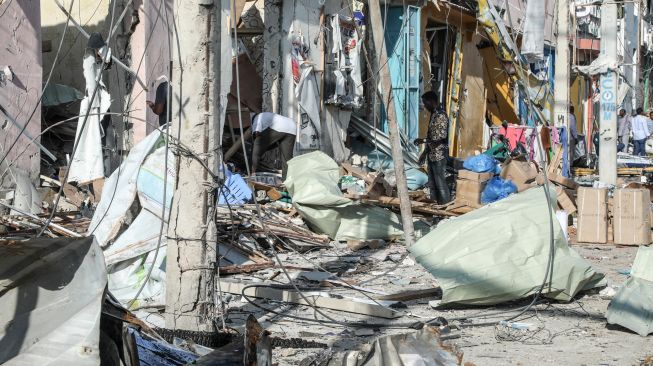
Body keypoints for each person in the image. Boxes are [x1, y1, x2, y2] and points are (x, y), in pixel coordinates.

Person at [414, 91, 451, 204]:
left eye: (425, 103)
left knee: (441, 185)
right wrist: (424, 153)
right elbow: (431, 136)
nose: (424, 106)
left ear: (432, 101)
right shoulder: (434, 115)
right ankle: (436, 208)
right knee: (433, 185)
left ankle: (444, 208)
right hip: (432, 155)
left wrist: (423, 141)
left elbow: (440, 137)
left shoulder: (441, 115)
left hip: (439, 156)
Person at [251, 112, 296, 178]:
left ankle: (252, 174)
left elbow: (257, 133)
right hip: (292, 127)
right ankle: (286, 183)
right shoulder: (265, 114)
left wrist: (256, 147)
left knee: (256, 146)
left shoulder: (257, 118)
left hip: (279, 128)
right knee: (287, 159)